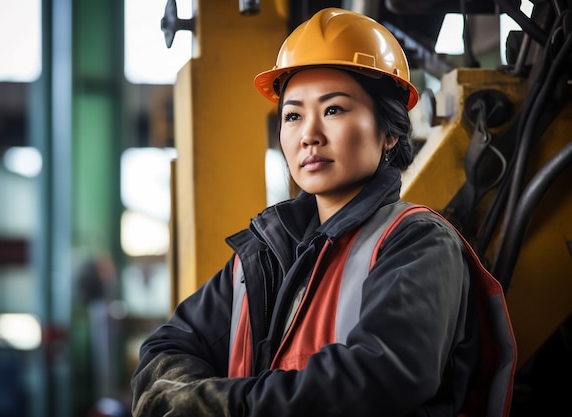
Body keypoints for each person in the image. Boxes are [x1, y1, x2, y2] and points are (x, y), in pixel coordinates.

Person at [131, 8, 516, 417]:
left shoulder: (419, 242)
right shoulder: (265, 254)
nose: (309, 136)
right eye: (293, 115)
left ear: (389, 132)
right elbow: (163, 352)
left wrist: (218, 406)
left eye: (334, 110)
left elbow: (379, 380)